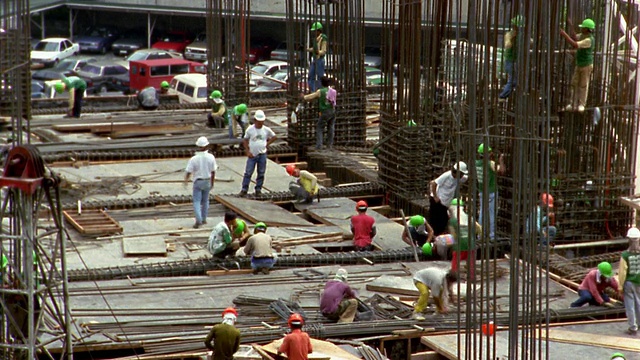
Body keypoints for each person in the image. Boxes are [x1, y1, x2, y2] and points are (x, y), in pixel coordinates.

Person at [239, 110, 277, 197]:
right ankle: (244, 189)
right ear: (255, 120)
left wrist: (267, 144)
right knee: (248, 173)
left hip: (262, 154)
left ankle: (258, 189)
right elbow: (245, 140)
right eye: (259, 122)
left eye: (262, 122)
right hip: (252, 155)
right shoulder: (250, 129)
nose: (260, 123)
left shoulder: (266, 130)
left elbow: (274, 137)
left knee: (261, 172)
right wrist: (247, 151)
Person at [560, 18, 595, 112]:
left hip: (586, 65)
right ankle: (573, 103)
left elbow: (575, 44)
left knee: (583, 84)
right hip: (579, 64)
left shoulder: (589, 40)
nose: (581, 29)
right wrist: (571, 26)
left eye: (583, 27)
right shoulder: (583, 36)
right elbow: (575, 37)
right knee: (574, 83)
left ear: (587, 29)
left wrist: (564, 35)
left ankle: (581, 104)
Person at [184, 136, 217, 229]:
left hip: (198, 181)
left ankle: (198, 220)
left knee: (197, 201)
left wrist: (186, 180)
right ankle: (204, 218)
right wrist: (212, 182)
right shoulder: (211, 157)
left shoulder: (194, 158)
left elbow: (189, 171)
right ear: (207, 146)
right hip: (207, 180)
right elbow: (213, 171)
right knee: (205, 200)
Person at [429, 161, 469, 236]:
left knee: (443, 222)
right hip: (438, 202)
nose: (462, 176)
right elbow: (434, 183)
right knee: (435, 222)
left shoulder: (459, 177)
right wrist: (435, 197)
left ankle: (439, 238)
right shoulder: (447, 175)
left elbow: (467, 178)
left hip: (445, 204)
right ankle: (433, 239)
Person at [475, 143, 505, 240]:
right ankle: (492, 235)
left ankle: (480, 235)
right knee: (492, 213)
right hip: (491, 192)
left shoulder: (477, 163)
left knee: (482, 213)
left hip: (481, 191)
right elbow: (502, 171)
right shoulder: (490, 163)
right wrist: (500, 161)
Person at [448, 198, 482, 278]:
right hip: (471, 243)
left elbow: (454, 235)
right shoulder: (469, 218)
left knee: (455, 262)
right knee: (471, 263)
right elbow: (479, 228)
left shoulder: (453, 220)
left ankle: (454, 276)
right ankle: (472, 277)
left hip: (460, 245)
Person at [301, 76, 336, 150]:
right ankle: (329, 145)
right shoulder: (332, 90)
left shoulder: (320, 91)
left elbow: (311, 97)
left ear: (321, 83)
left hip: (325, 111)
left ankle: (319, 145)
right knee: (331, 127)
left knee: (319, 127)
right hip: (332, 110)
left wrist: (303, 97)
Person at [618, 227, 640, 335]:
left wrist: (620, 287)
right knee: (639, 304)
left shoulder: (625, 255)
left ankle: (633, 327)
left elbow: (622, 273)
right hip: (639, 282)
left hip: (629, 283)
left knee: (630, 305)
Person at [498, 16, 523, 100]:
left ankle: (505, 96)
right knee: (512, 81)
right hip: (510, 61)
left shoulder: (521, 36)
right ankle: (502, 96)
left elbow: (531, 42)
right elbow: (507, 45)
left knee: (515, 81)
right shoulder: (509, 34)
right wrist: (511, 39)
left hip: (516, 61)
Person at [307, 22, 327, 91]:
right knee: (310, 77)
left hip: (320, 60)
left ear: (318, 30)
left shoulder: (323, 38)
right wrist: (307, 49)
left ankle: (320, 92)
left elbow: (323, 51)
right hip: (315, 59)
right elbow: (314, 49)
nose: (314, 32)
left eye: (315, 31)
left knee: (320, 78)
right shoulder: (315, 39)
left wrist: (318, 52)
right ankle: (313, 91)